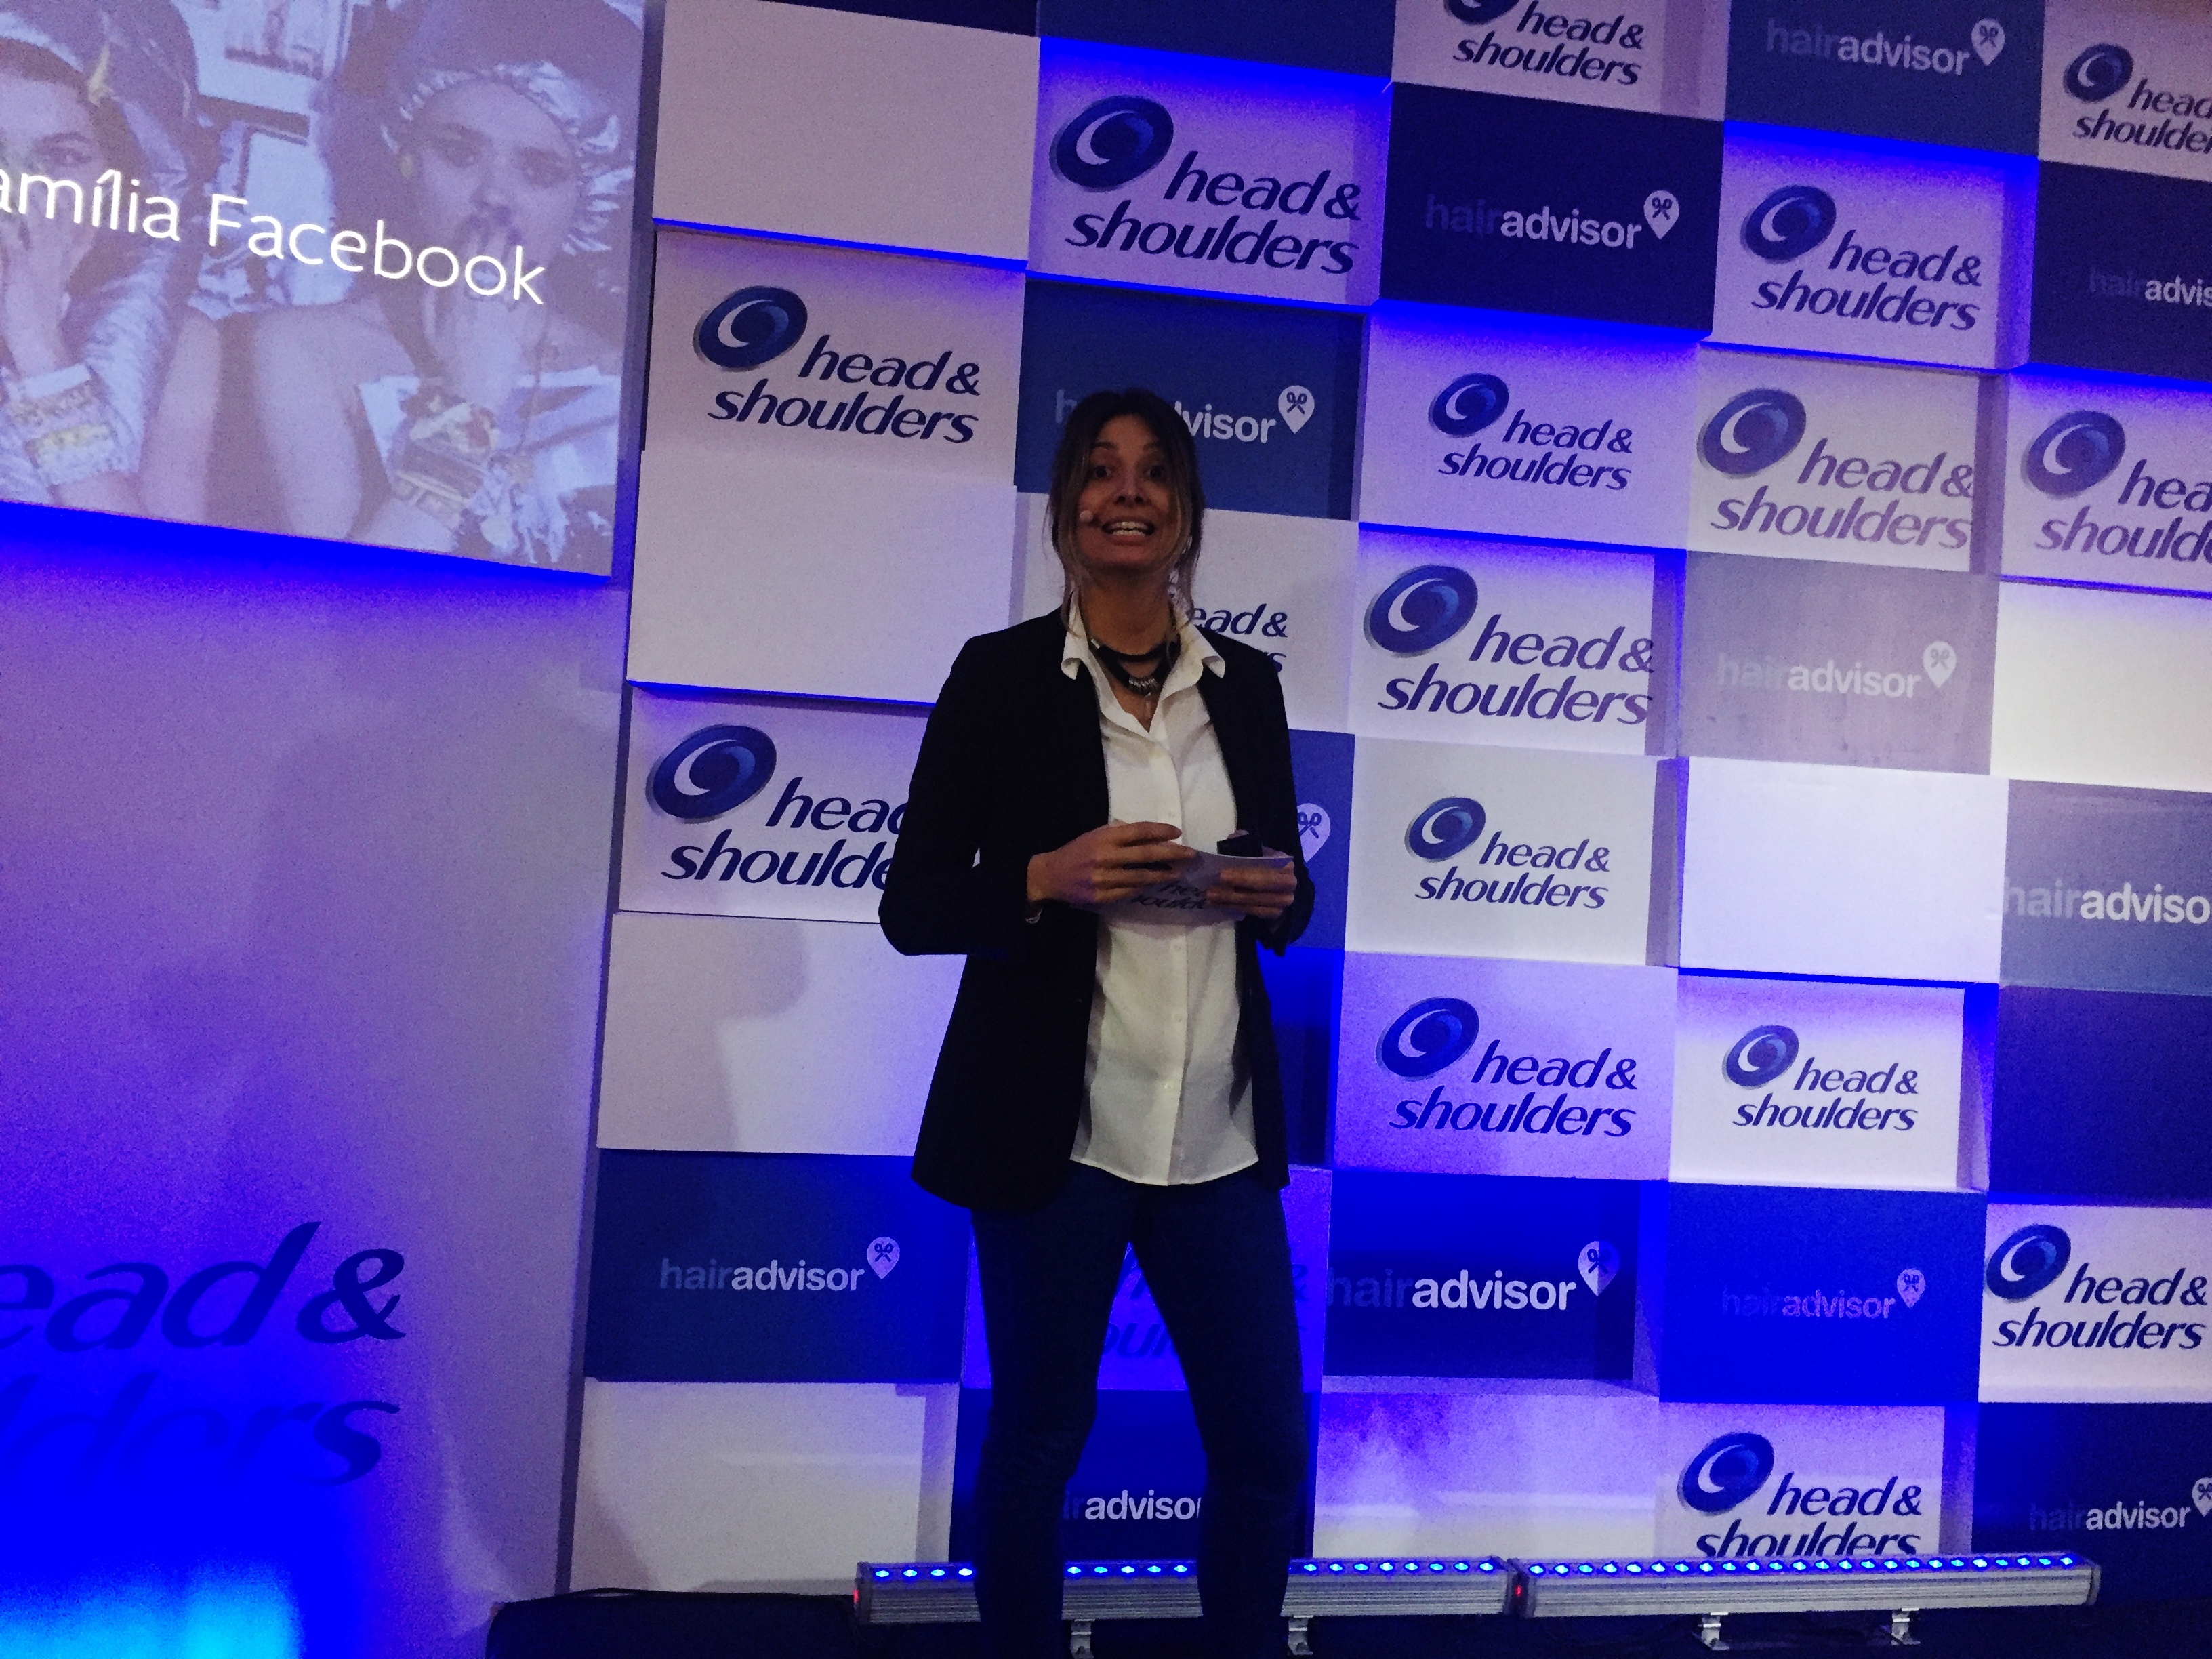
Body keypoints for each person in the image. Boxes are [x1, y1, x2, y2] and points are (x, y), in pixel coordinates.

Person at [880, 388, 1315, 1659]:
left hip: (1216, 1133)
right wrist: (1042, 874)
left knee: (1264, 1450)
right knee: (1037, 1437)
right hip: (1055, 1132)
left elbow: (1284, 887)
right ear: (1067, 504)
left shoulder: (1247, 685)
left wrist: (1281, 893)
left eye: (1154, 471)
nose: (1128, 492)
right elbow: (913, 903)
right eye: (1101, 469)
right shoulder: (998, 675)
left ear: (1185, 510)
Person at [251, 0, 635, 568]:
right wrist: (470, 397)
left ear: (592, 195)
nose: (494, 194)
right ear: (407, 157)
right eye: (459, 152)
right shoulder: (307, 348)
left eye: (540, 170)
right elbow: (339, 610)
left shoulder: (624, 376)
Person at [0, 1, 217, 518]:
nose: (20, 186)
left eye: (62, 157)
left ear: (120, 182)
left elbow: (146, 569)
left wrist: (39, 350)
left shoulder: (181, 343)